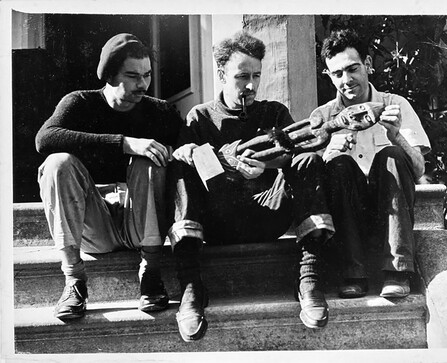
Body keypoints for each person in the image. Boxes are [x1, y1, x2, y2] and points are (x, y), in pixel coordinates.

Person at [169, 31, 335, 341]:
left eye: (256, 75)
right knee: (182, 163)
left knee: (308, 161)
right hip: (219, 220)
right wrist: (195, 154)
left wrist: (269, 165)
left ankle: (309, 279)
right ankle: (191, 288)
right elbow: (185, 159)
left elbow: (297, 150)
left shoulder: (273, 112)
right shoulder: (200, 116)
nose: (251, 84)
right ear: (221, 74)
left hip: (268, 214)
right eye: (242, 75)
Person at [35, 33, 182, 319]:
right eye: (132, 76)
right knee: (57, 163)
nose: (142, 84)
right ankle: (74, 281)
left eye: (147, 75)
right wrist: (125, 142)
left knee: (153, 157)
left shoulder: (160, 111)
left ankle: (151, 274)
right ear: (109, 76)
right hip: (93, 223)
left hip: (142, 222)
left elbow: (190, 147)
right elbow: (45, 139)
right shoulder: (79, 102)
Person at [311, 28, 431, 299]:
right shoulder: (322, 117)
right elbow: (311, 183)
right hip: (347, 221)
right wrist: (328, 153)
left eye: (352, 69)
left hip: (390, 215)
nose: (347, 79)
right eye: (337, 74)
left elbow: (419, 169)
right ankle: (353, 273)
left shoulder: (395, 104)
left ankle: (397, 271)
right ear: (328, 76)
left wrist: (396, 135)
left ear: (366, 64)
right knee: (338, 164)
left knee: (392, 154)